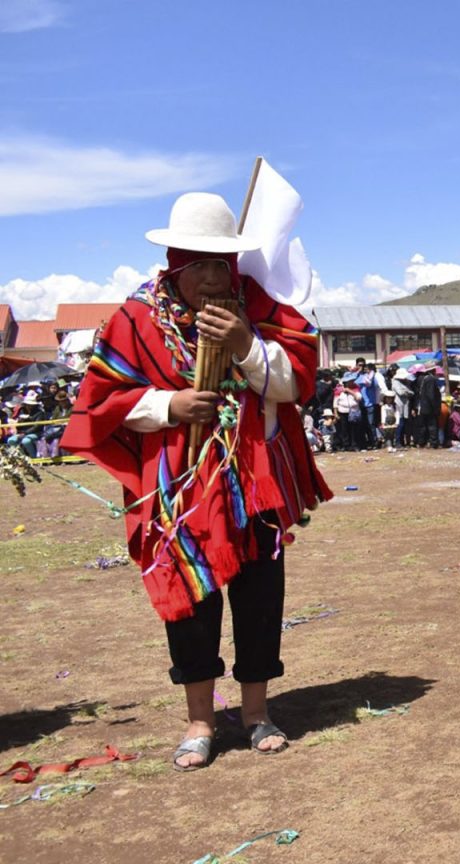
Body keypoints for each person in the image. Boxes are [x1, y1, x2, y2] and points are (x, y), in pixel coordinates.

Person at [59, 192, 330, 771]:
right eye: (199, 265)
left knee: (260, 596)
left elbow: (295, 382)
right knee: (191, 600)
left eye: (220, 264)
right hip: (178, 489)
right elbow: (101, 402)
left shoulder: (256, 307)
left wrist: (245, 346)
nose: (212, 277)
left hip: (252, 478)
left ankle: (257, 714)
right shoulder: (134, 321)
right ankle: (200, 720)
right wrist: (170, 405)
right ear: (175, 265)